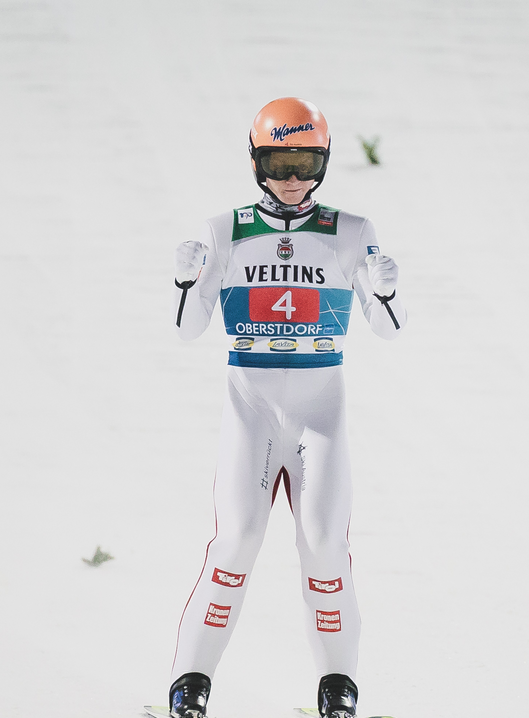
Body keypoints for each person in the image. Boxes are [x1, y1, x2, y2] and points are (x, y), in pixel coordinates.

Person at [168, 97, 406, 718]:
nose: (293, 179)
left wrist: (384, 292)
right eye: (278, 162)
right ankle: (189, 686)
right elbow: (189, 330)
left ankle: (338, 690)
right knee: (238, 538)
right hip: (251, 405)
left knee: (326, 544)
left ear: (323, 160)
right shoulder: (226, 229)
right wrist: (188, 283)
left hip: (320, 410)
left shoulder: (351, 231)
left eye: (305, 162)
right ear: (255, 161)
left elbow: (387, 330)